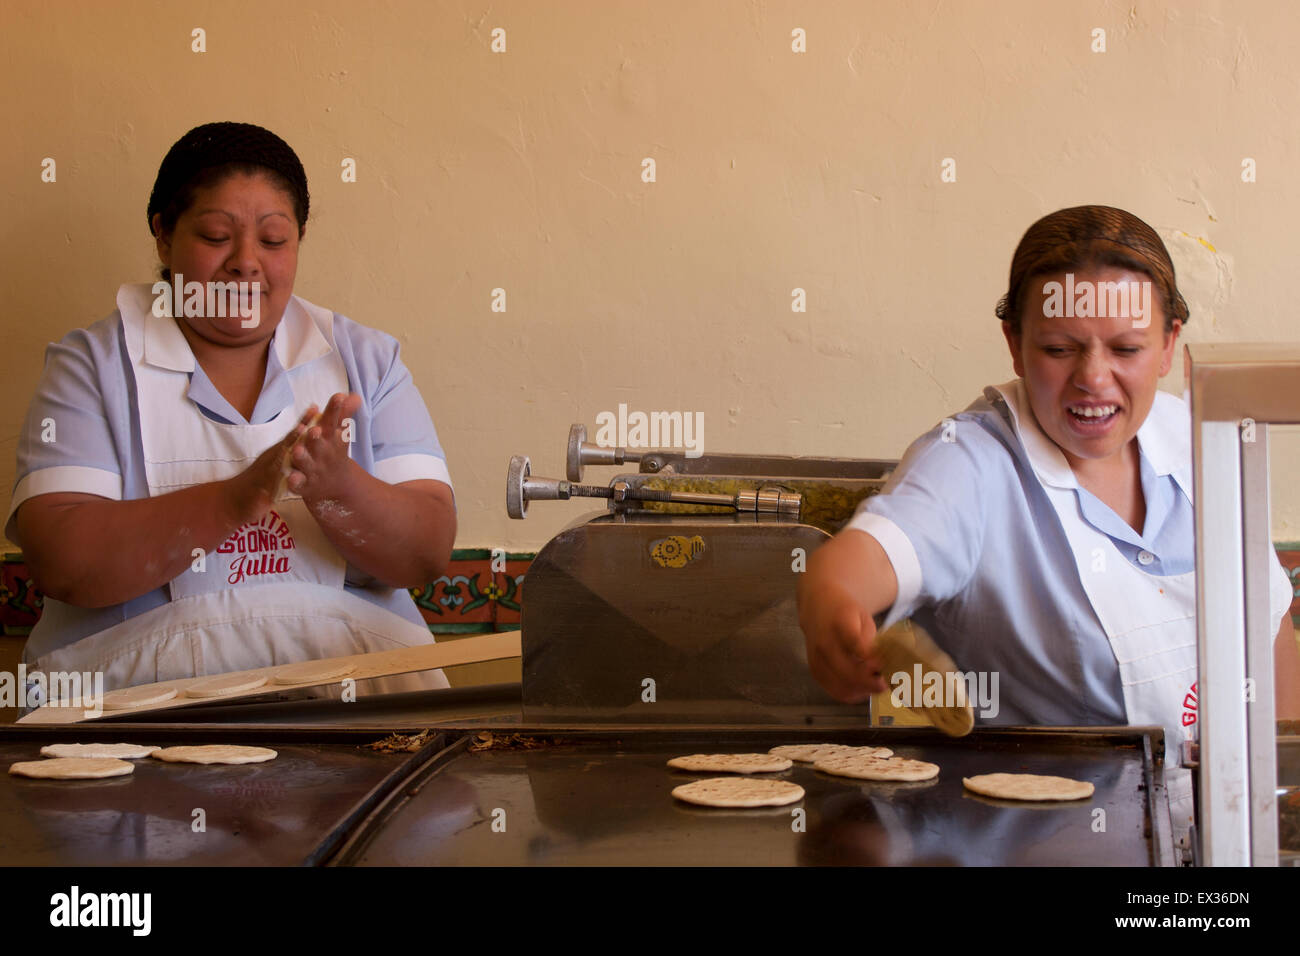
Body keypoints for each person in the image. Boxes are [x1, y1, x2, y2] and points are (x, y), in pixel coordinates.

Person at [797, 205, 1300, 752]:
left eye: (1127, 349)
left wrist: (1287, 796)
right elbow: (863, 558)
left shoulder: (1201, 439)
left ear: (1168, 345)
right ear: (1014, 343)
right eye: (1059, 349)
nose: (1092, 379)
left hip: (1231, 826)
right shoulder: (972, 462)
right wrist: (830, 607)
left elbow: (1269, 626)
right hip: (1049, 830)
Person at [5, 122, 457, 696]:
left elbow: (426, 552)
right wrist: (238, 496)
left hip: (352, 711)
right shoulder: (91, 366)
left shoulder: (367, 363)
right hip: (130, 714)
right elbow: (62, 562)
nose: (247, 263)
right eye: (217, 235)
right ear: (163, 236)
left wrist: (339, 488)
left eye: (273, 241)